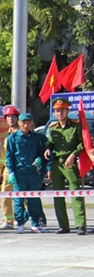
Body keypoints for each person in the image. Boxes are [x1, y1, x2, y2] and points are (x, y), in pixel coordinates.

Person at [44, 98, 87, 235]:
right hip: (57, 164)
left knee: (76, 193)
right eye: (57, 111)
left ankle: (80, 225)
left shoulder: (75, 125)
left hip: (71, 163)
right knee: (58, 194)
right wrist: (48, 149)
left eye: (62, 111)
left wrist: (74, 154)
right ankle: (63, 225)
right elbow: (50, 143)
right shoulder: (53, 128)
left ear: (67, 111)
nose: (59, 114)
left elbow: (82, 143)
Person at [6, 114, 49, 234]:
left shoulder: (37, 138)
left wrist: (40, 158)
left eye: (28, 122)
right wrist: (11, 172)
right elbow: (9, 157)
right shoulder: (12, 138)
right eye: (23, 122)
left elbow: (42, 152)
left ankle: (35, 223)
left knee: (33, 199)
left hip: (33, 172)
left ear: (32, 123)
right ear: (18, 123)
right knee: (19, 199)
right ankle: (19, 222)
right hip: (19, 173)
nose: (26, 125)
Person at [0, 105, 20, 230]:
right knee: (5, 194)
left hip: (20, 168)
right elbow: (2, 155)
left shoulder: (21, 133)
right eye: (8, 117)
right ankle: (8, 220)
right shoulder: (5, 135)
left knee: (22, 195)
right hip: (7, 169)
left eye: (13, 116)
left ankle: (22, 218)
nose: (11, 119)